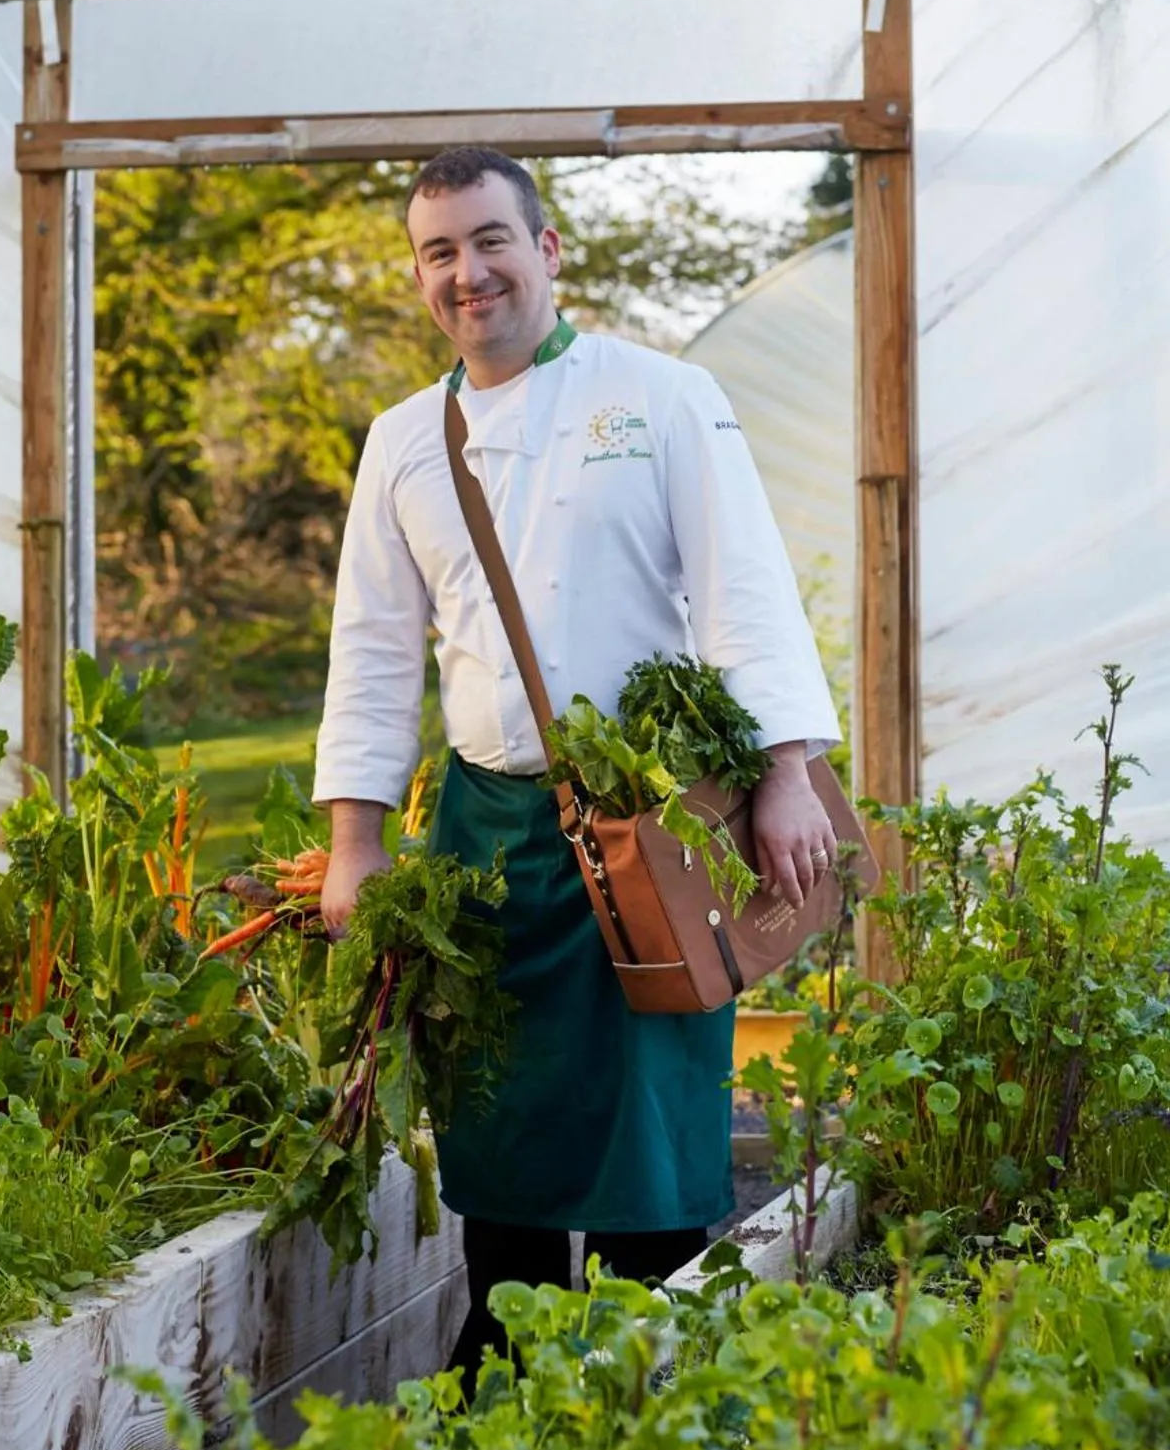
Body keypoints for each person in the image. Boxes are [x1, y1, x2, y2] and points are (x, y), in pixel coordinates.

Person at [312, 145, 840, 1381]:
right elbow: (374, 651)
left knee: (649, 1121)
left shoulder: (659, 395)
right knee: (498, 1117)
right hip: (482, 848)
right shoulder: (400, 441)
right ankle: (501, 1361)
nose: (466, 272)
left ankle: (651, 1364)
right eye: (437, 251)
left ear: (547, 251)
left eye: (489, 239)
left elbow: (741, 587)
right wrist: (357, 840)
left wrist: (784, 772)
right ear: (418, 276)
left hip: (643, 832)